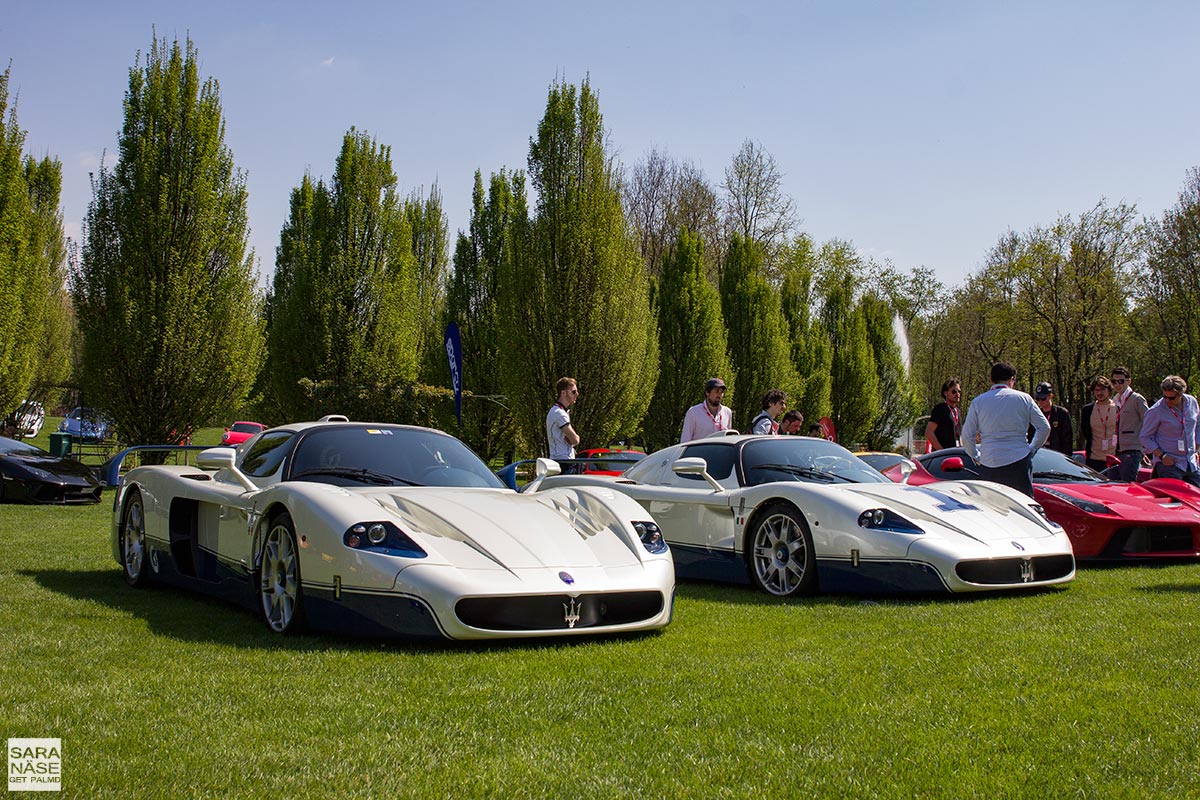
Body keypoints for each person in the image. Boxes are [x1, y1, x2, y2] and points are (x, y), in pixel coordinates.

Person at [959, 361, 1049, 497]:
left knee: (990, 510)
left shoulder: (978, 402)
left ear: (991, 380)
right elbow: (1044, 427)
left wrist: (976, 456)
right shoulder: (1024, 398)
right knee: (1022, 509)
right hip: (1018, 461)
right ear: (1012, 379)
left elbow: (967, 435)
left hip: (989, 462)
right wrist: (1031, 448)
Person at [1139, 375, 1200, 487]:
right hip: (1169, 464)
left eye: (1171, 398)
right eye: (1164, 397)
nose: (1167, 401)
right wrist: (1162, 456)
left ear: (1181, 395)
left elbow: (1198, 425)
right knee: (1174, 499)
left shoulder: (1192, 402)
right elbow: (1145, 437)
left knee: (1196, 498)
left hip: (1190, 462)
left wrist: (1197, 449)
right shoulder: (1156, 410)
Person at [1111, 366, 1149, 482]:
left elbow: (1148, 422)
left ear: (1129, 381)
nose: (1117, 385)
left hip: (1132, 449)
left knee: (1128, 483)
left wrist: (1145, 448)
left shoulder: (1137, 399)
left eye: (1121, 381)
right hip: (1117, 450)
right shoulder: (1115, 400)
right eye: (1114, 382)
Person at [1078, 376, 1117, 473]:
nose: (1099, 393)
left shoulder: (1118, 408)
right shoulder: (1087, 410)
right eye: (1096, 390)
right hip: (1094, 459)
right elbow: (1085, 431)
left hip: (1114, 459)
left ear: (1109, 390)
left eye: (1103, 389)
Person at [681, 378, 733, 442]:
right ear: (707, 392)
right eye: (716, 391)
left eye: (721, 392)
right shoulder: (693, 412)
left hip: (720, 451)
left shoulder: (727, 412)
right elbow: (685, 440)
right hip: (699, 451)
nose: (719, 395)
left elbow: (729, 439)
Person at [1031, 382, 1073, 456]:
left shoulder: (1062, 413)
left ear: (1050, 396)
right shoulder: (1035, 414)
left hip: (1057, 455)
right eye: (1038, 398)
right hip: (1040, 454)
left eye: (1043, 398)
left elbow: (1067, 439)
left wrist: (1066, 457)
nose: (1040, 401)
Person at [545, 377, 580, 462]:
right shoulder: (559, 413)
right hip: (563, 461)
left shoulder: (558, 411)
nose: (577, 394)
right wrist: (575, 437)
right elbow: (575, 440)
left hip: (561, 459)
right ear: (563, 393)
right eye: (573, 392)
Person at [925, 378, 963, 451]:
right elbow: (929, 432)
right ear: (945, 393)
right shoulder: (940, 409)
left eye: (959, 391)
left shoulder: (957, 411)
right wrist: (941, 450)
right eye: (954, 391)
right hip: (943, 456)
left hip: (956, 453)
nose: (957, 394)